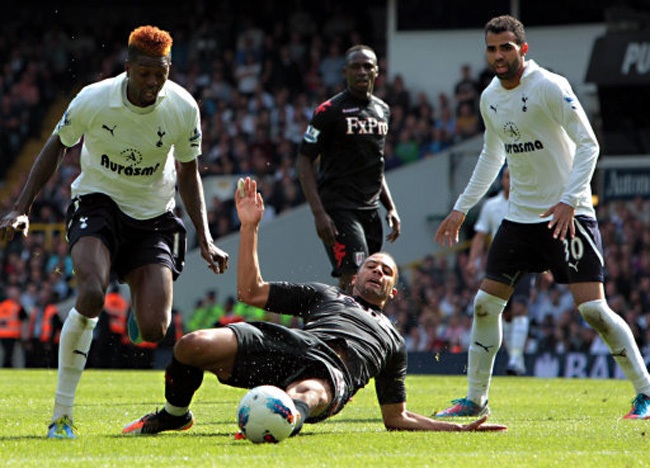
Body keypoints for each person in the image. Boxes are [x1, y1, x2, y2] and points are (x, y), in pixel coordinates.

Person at [122, 177, 506, 436]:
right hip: (288, 345)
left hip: (331, 375)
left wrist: (455, 429)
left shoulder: (393, 342)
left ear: (392, 291)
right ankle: (175, 416)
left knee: (307, 392)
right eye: (370, 265)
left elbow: (396, 417)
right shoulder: (327, 295)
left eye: (386, 271)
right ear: (354, 277)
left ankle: (279, 418)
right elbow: (251, 292)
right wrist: (250, 228)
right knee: (192, 345)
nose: (376, 271)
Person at [0, 25, 230, 438]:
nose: (153, 82)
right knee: (90, 293)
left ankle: (137, 292)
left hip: (153, 217)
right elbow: (57, 145)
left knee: (156, 330)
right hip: (97, 203)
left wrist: (206, 237)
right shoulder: (94, 99)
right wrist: (21, 208)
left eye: (160, 73)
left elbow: (189, 172)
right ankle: (61, 417)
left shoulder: (182, 107)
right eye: (145, 73)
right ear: (128, 68)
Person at [433, 15, 650, 420]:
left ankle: (646, 393)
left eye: (506, 48)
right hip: (520, 219)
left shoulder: (550, 86)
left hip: (568, 215)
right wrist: (463, 206)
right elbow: (491, 156)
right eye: (492, 49)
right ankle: (475, 399)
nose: (498, 56)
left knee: (593, 312)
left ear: (523, 49)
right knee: (484, 305)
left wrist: (570, 199)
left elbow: (589, 145)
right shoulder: (490, 97)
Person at [297, 44, 401, 293]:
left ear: (377, 71)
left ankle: (357, 328)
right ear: (345, 71)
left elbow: (376, 164)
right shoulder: (328, 111)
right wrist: (319, 213)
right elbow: (304, 160)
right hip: (339, 208)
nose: (362, 71)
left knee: (372, 283)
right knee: (355, 278)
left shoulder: (382, 110)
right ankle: (342, 331)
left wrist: (391, 207)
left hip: (371, 210)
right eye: (356, 66)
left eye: (368, 66)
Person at [466, 165, 531, 376]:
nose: (510, 180)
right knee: (507, 314)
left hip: (525, 262)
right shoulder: (491, 206)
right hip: (500, 264)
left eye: (513, 176)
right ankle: (515, 358)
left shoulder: (528, 202)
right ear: (501, 179)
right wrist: (473, 260)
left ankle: (515, 359)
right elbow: (479, 235)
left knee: (520, 308)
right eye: (506, 176)